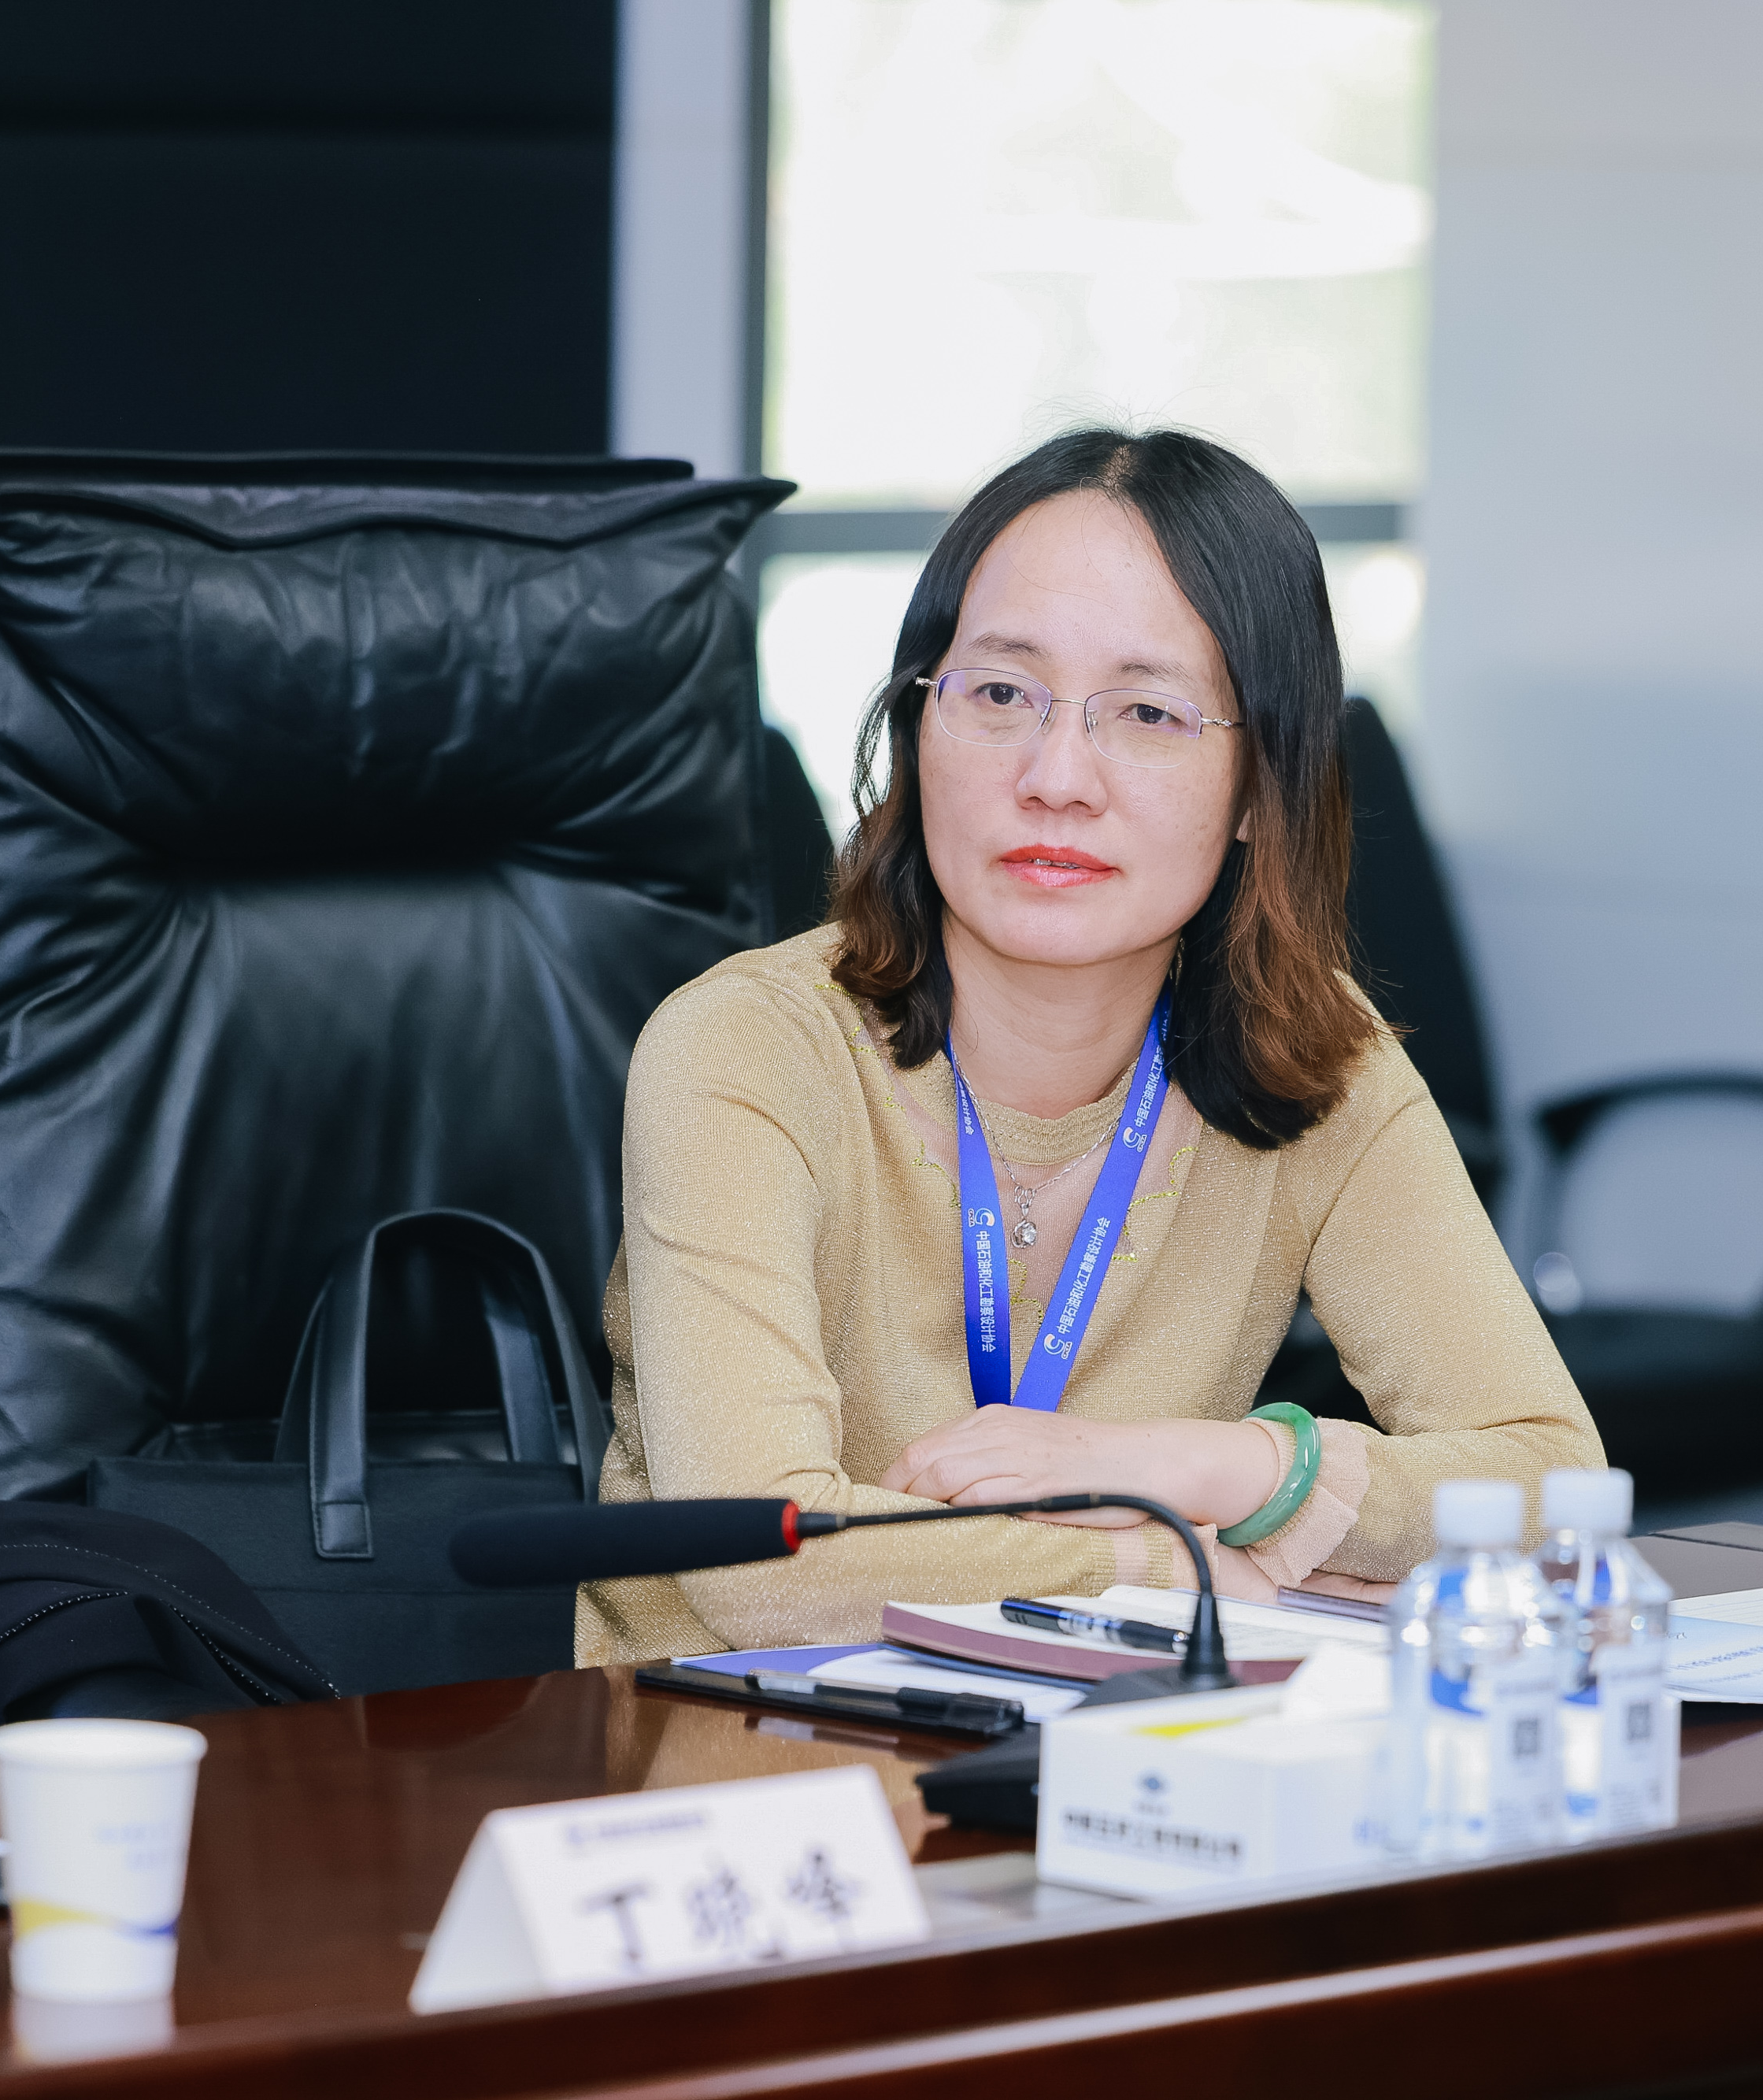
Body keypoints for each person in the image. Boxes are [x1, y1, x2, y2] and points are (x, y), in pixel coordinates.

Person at [576, 428, 1602, 1665]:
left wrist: (1207, 1466)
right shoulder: (747, 1050)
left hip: (1114, 1743)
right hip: (725, 1748)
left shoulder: (1311, 1057)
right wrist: (1172, 1562)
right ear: (918, 725)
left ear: (1260, 787)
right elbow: (764, 1562)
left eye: (1149, 712)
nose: (1057, 777)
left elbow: (1551, 1482)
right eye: (1001, 694)